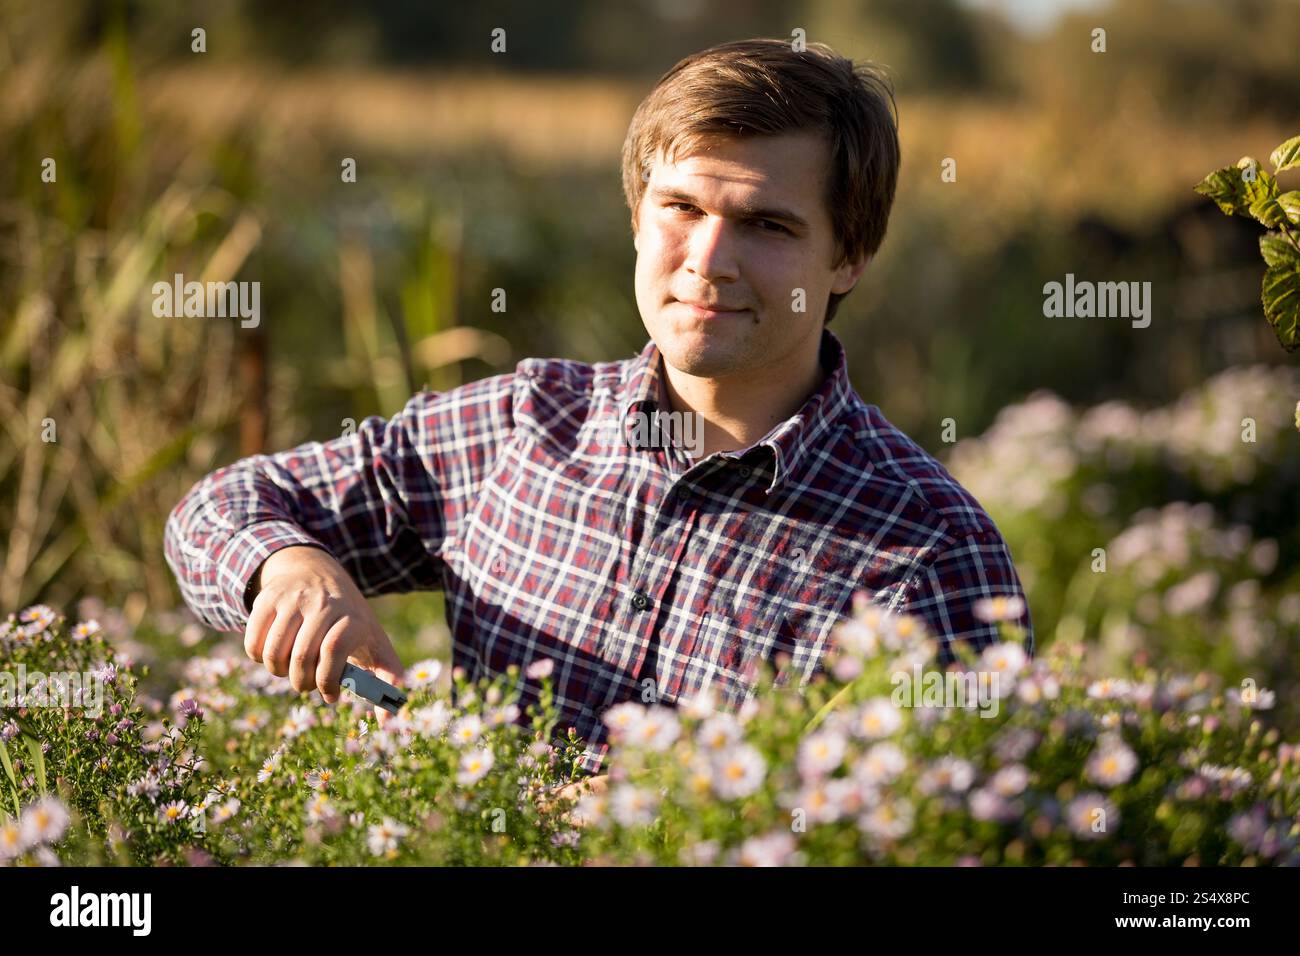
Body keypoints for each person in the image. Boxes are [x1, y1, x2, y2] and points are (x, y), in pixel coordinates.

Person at [164, 38, 1033, 797]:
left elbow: (946, 827)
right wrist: (292, 569)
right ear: (634, 216)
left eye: (768, 224)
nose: (709, 261)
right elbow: (219, 507)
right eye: (682, 208)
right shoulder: (524, 423)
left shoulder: (929, 555)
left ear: (848, 258)